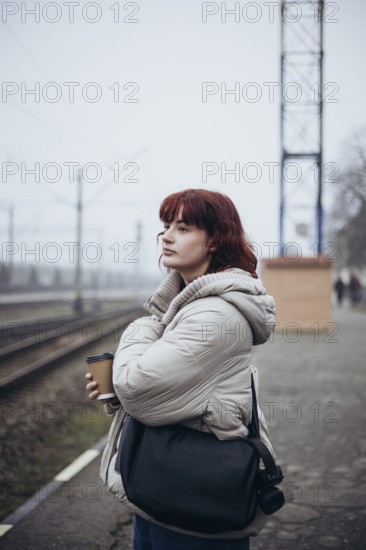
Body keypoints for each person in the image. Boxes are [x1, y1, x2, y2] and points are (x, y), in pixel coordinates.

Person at [86, 189, 277, 549]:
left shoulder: (216, 315)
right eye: (166, 226)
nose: (167, 236)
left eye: (184, 227)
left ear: (215, 241)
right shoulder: (190, 306)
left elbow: (139, 388)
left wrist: (141, 328)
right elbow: (164, 393)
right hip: (165, 494)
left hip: (193, 510)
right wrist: (117, 392)